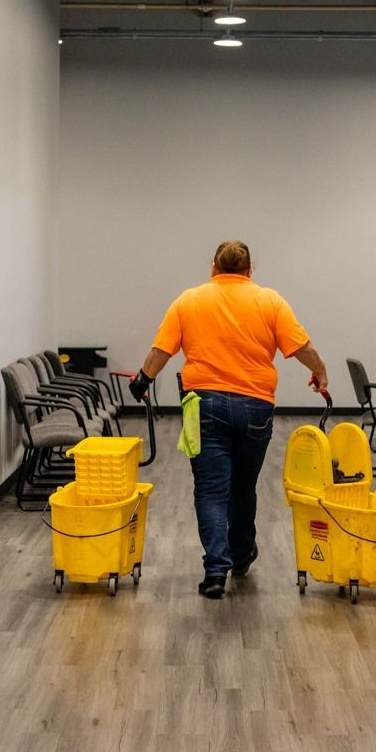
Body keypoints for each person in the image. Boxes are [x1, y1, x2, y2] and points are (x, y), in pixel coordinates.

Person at [129, 240, 328, 598]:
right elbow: (303, 348)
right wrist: (321, 373)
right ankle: (241, 555)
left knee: (210, 489)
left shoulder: (189, 299)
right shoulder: (270, 300)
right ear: (250, 270)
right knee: (243, 486)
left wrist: (142, 380)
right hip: (256, 407)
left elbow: (160, 351)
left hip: (202, 406)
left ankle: (215, 572)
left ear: (213, 268)